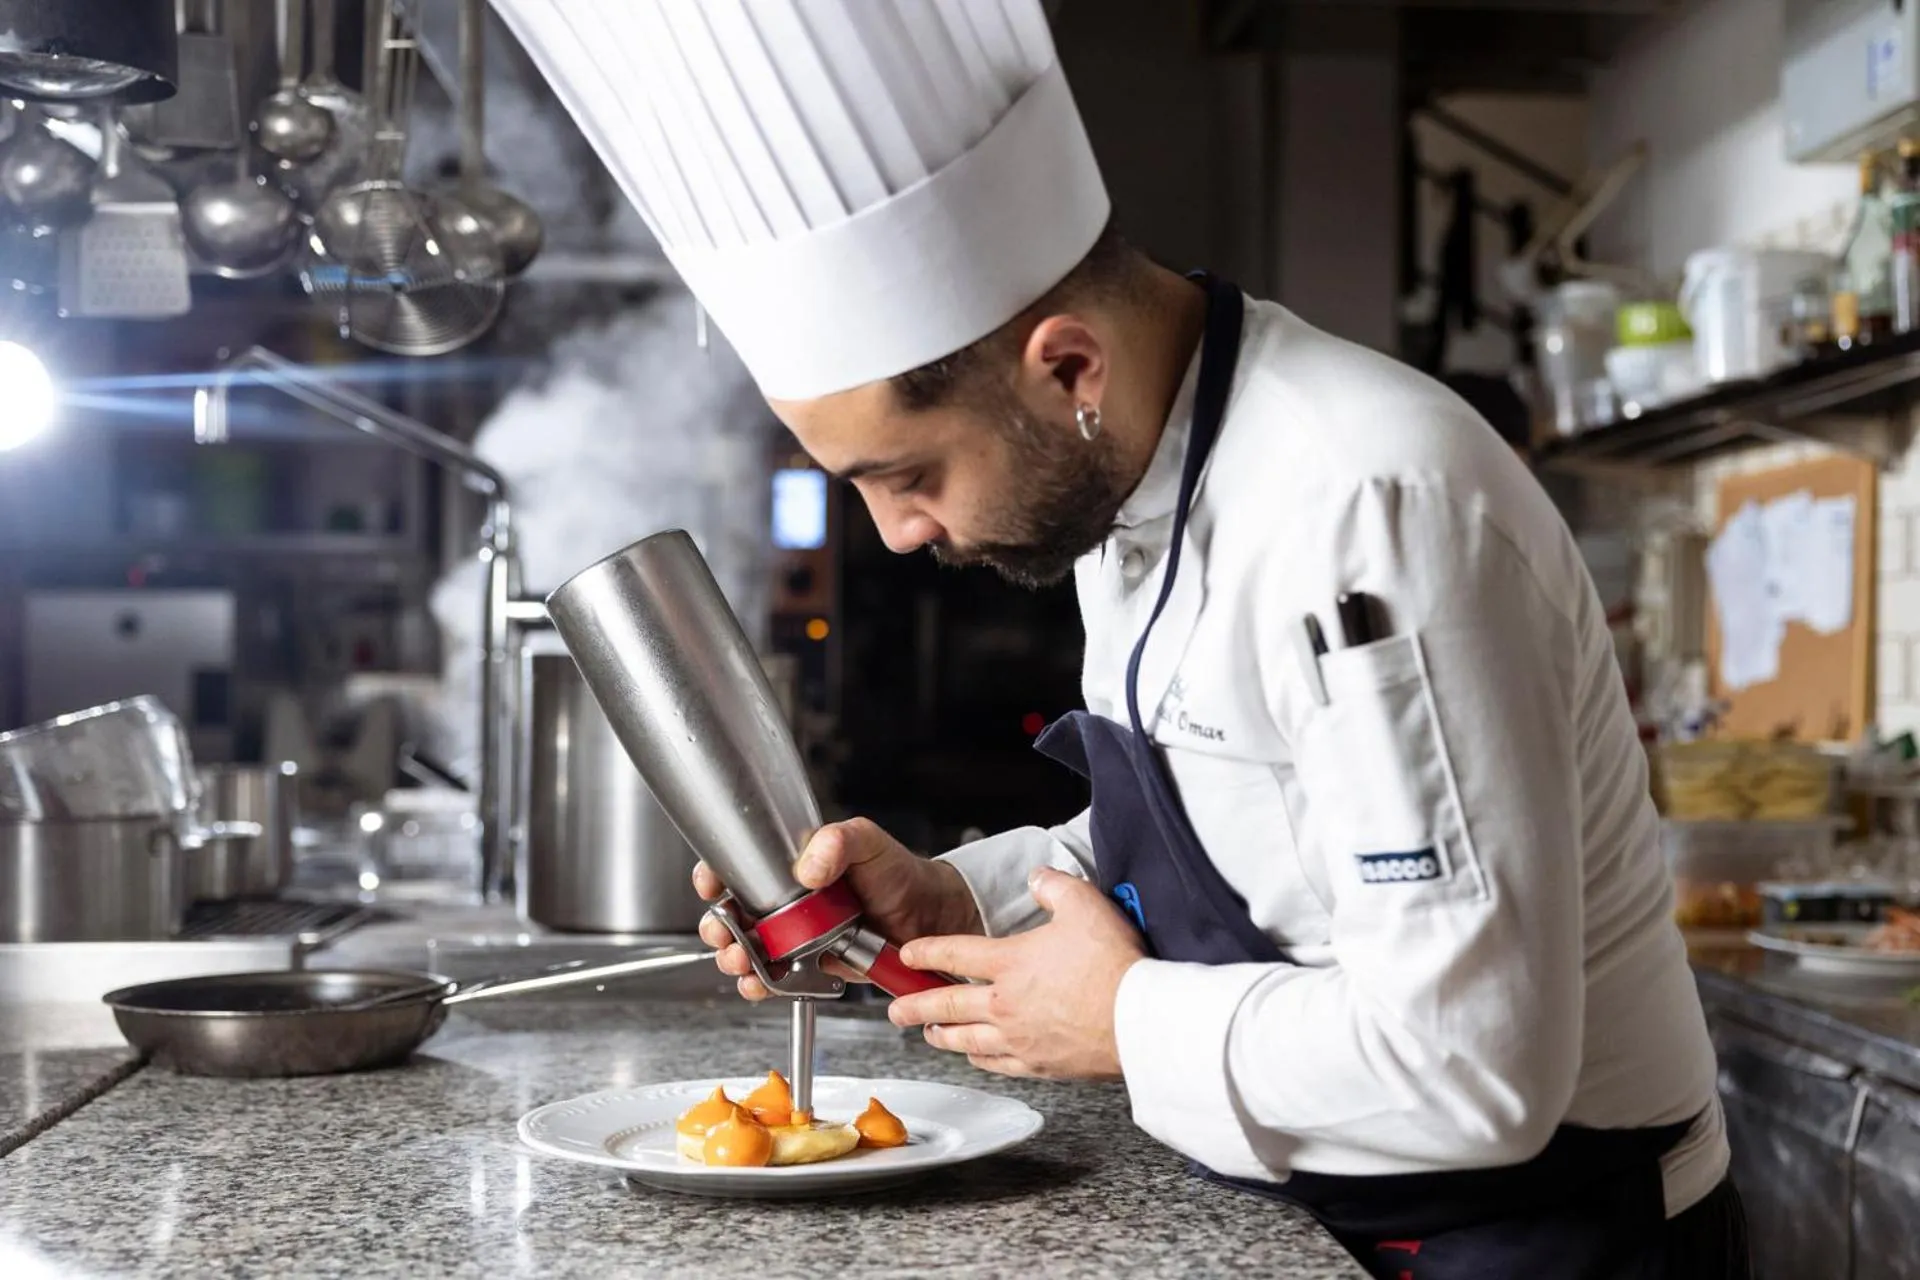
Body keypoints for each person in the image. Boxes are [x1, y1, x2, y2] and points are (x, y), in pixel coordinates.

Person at [495, 3, 1750, 1276]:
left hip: (1536, 1240)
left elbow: (1477, 1065)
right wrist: (955, 895)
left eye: (909, 473)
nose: (898, 535)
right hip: (1306, 1214)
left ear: (1069, 368)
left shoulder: (1366, 508)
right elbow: (1250, 833)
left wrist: (1122, 1016)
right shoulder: (1128, 483)